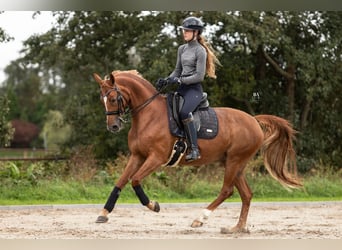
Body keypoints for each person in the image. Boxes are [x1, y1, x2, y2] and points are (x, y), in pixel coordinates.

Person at [157, 16, 220, 162]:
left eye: (187, 30)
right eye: (184, 30)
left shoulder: (200, 51)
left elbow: (199, 76)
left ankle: (194, 149)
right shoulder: (182, 49)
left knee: (185, 112)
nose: (184, 33)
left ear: (196, 33)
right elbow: (177, 70)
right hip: (182, 88)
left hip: (194, 90)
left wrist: (179, 80)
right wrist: (167, 80)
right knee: (166, 107)